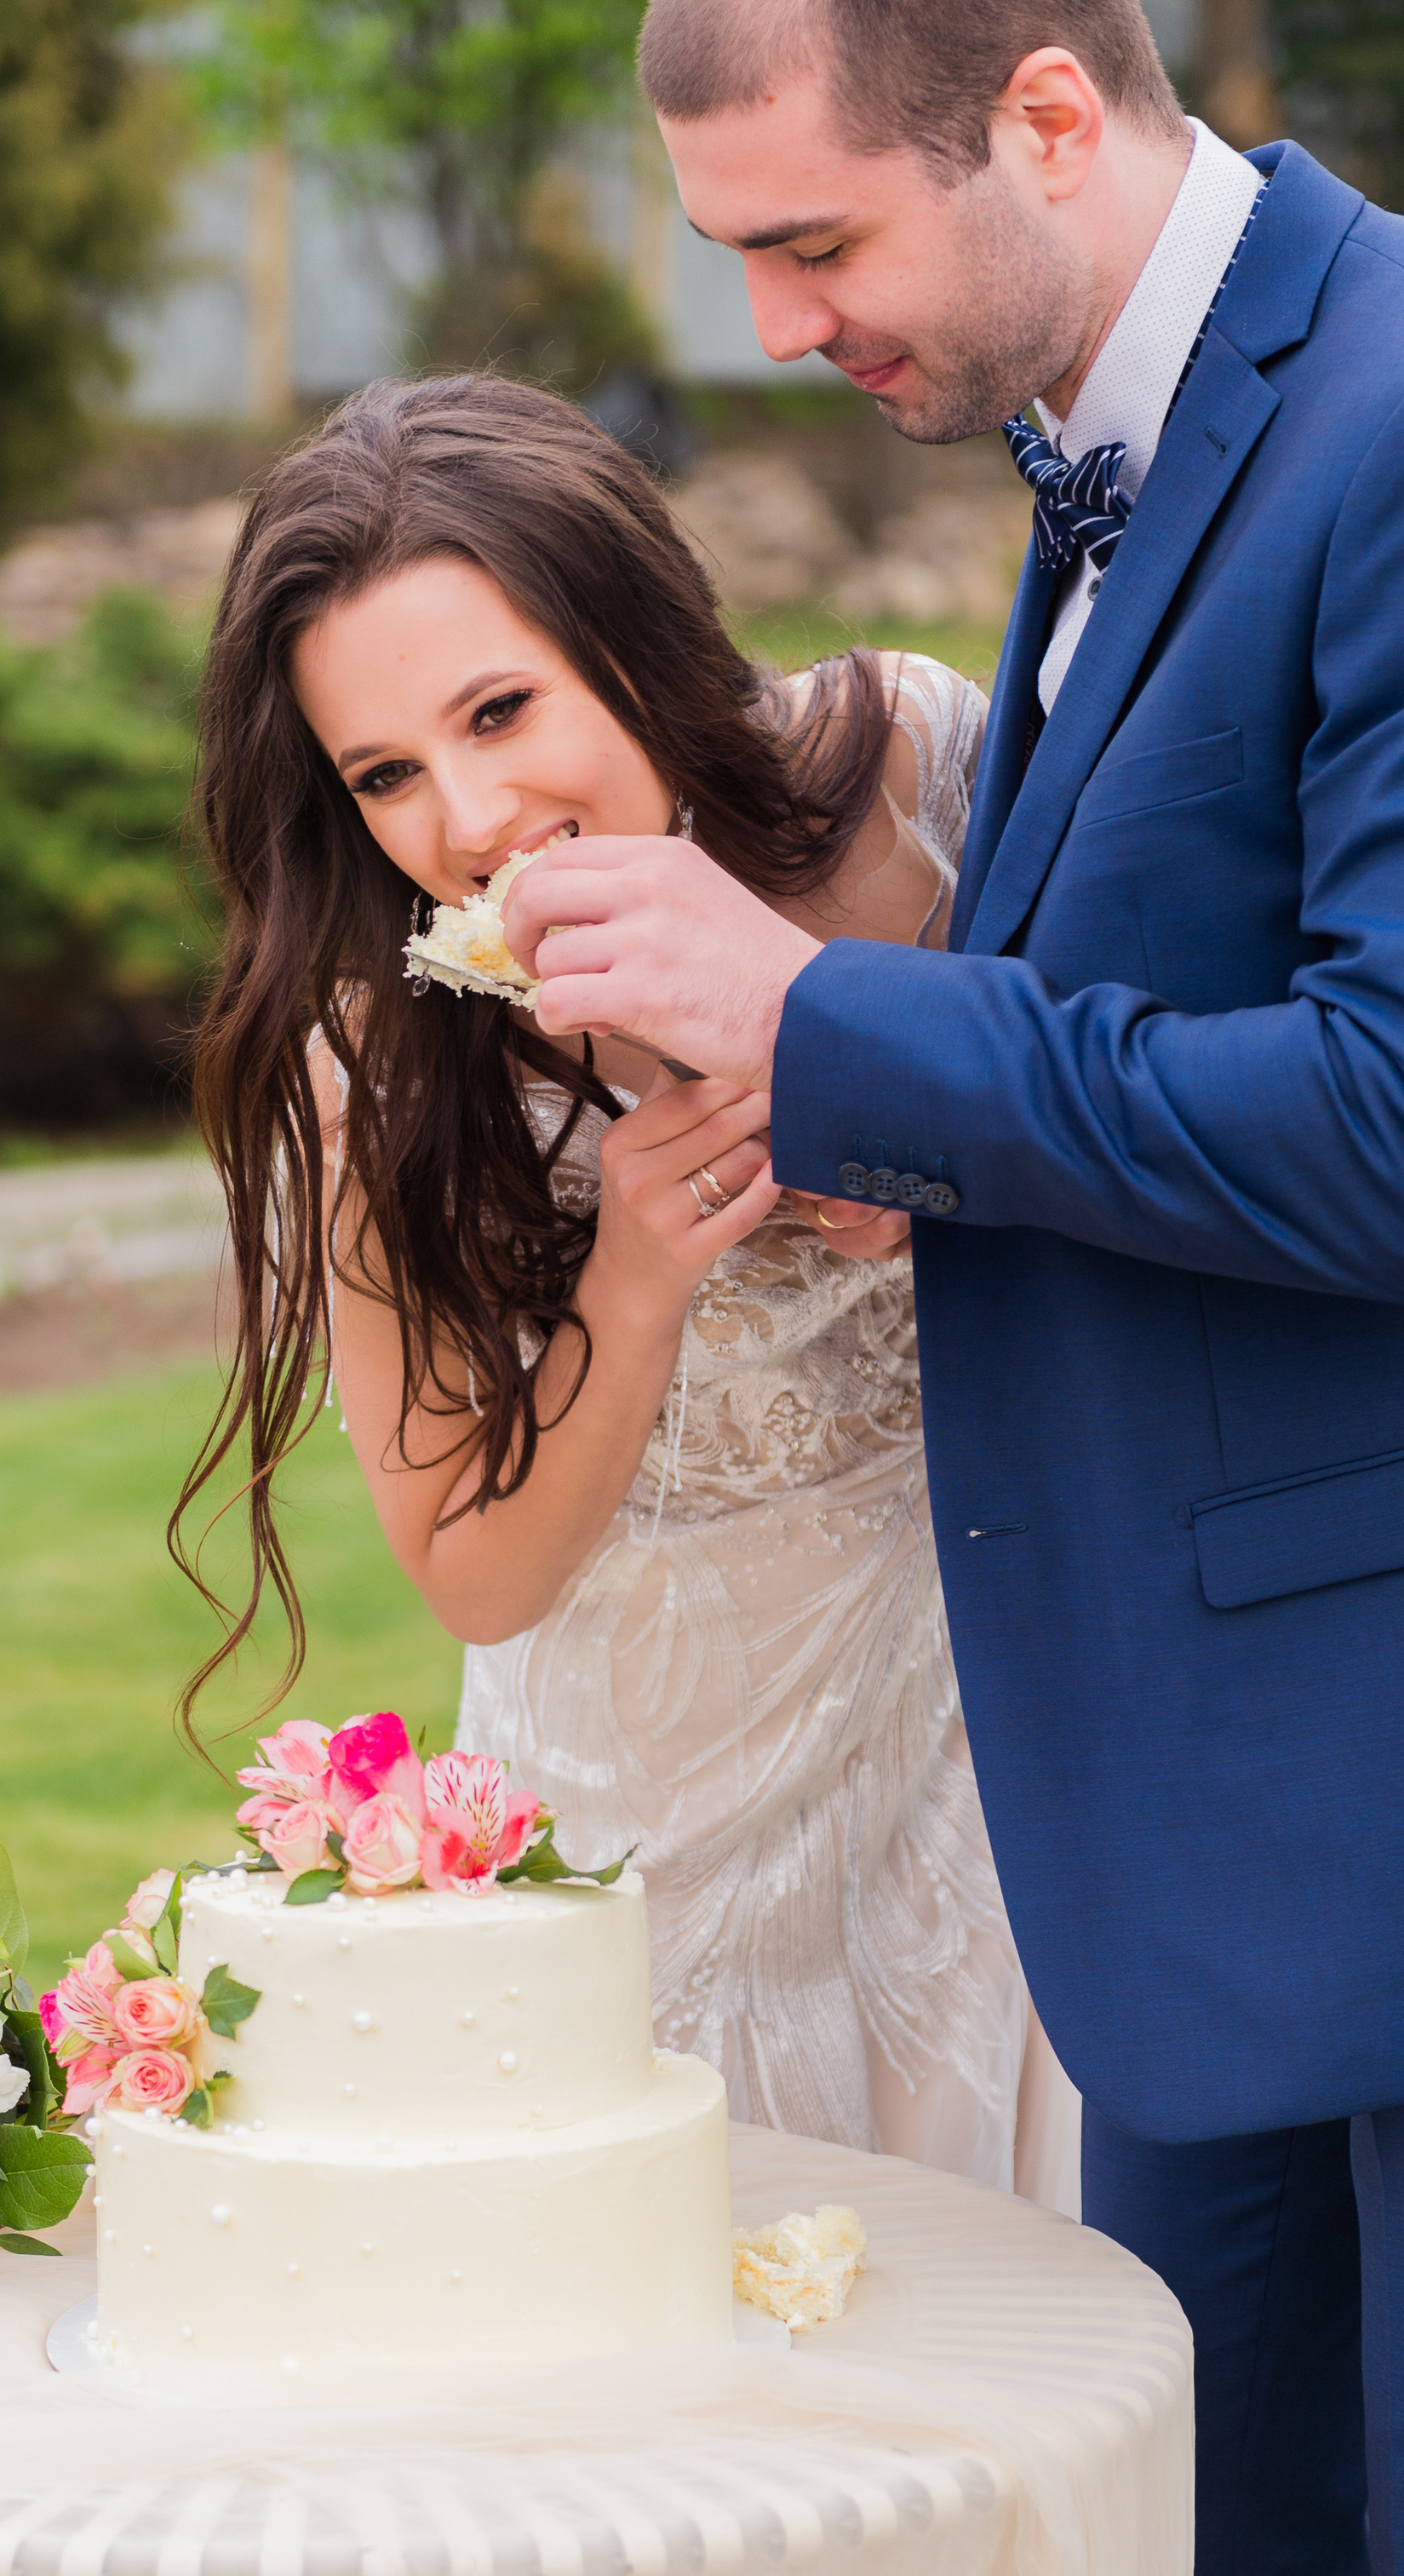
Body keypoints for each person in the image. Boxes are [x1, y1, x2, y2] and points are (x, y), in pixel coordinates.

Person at [497, 0, 1404, 2576]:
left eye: (815, 242)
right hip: (1210, 1851)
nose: (775, 323)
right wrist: (918, 1151)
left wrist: (824, 1020)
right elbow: (1193, 1050)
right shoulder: (1106, 445)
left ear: (1055, 115)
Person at [177, 372, 1078, 2206]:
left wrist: (931, 1168)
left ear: (632, 637)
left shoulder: (905, 777)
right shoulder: (379, 1062)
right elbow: (473, 1569)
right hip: (645, 1844)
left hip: (982, 1773)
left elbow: (1129, 1107)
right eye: (383, 774)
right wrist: (636, 1278)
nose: (470, 818)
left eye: (500, 709)